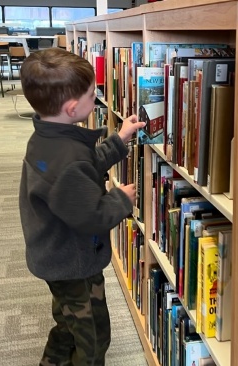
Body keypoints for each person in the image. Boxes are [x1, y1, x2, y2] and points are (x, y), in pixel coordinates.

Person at [18, 47, 146, 365]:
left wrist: (119, 140)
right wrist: (121, 199)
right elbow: (91, 215)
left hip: (52, 255)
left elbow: (82, 169)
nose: (96, 97)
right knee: (93, 336)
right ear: (74, 108)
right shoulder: (69, 159)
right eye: (93, 95)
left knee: (67, 320)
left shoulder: (48, 140)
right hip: (73, 263)